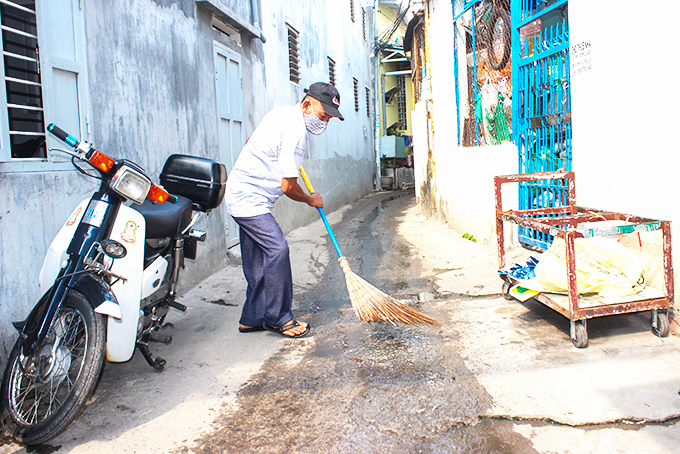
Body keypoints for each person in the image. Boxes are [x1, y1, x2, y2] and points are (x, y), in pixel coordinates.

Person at [225, 82, 344, 338]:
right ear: (306, 104)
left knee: (257, 261)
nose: (324, 121)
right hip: (249, 200)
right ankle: (280, 318)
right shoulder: (295, 131)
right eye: (323, 115)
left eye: (329, 118)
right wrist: (311, 200)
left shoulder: (279, 114)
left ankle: (252, 317)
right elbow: (289, 187)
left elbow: (250, 141)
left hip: (241, 193)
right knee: (278, 250)